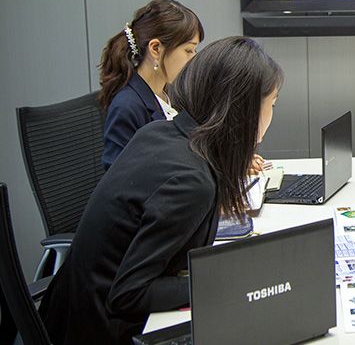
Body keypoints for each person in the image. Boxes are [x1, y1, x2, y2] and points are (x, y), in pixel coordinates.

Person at [40, 37, 284, 345]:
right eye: (272, 104)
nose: (273, 113)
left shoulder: (160, 134)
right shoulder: (192, 181)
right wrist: (220, 280)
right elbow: (129, 293)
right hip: (100, 331)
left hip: (67, 314)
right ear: (243, 110)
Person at [98, 0, 204, 170]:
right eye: (188, 50)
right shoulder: (126, 107)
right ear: (155, 49)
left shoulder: (173, 94)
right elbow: (119, 178)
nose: (194, 59)